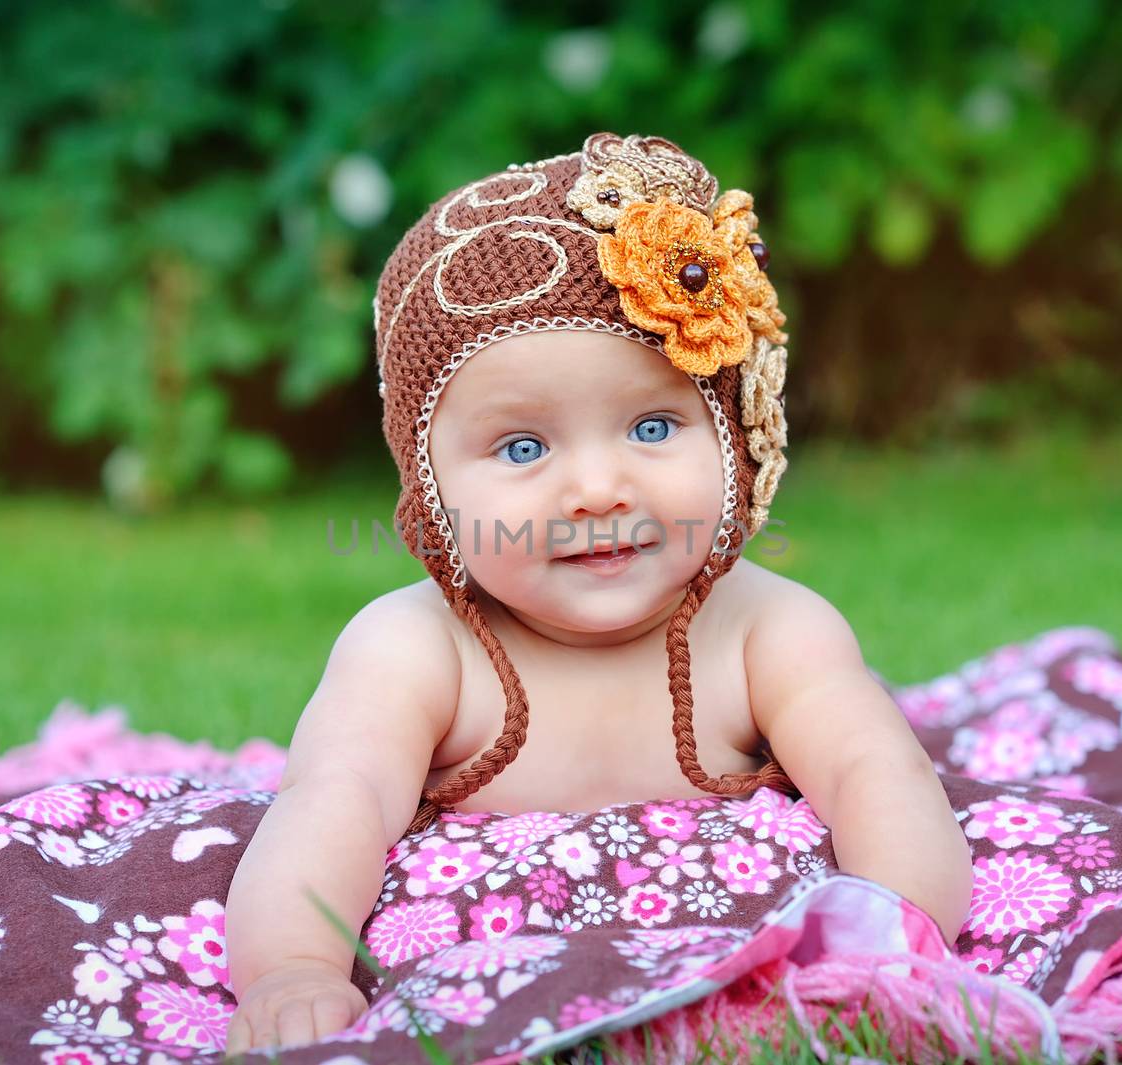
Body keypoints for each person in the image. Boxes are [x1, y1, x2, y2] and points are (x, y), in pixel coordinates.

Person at [223, 132, 972, 1056]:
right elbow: (327, 800)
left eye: (653, 424)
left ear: (731, 441)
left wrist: (895, 941)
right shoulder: (418, 649)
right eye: (524, 448)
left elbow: (879, 776)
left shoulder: (765, 630)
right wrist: (294, 965)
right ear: (430, 484)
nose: (597, 489)